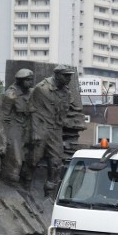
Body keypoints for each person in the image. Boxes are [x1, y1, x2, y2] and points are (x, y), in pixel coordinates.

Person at [29, 65, 84, 196]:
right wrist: (35, 131)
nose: (69, 78)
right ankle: (26, 189)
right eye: (66, 76)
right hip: (41, 129)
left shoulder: (66, 92)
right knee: (33, 160)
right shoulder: (41, 89)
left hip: (55, 131)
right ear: (57, 75)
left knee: (56, 164)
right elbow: (32, 112)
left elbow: (64, 112)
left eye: (70, 76)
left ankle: (49, 196)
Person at [0, 68, 34, 185]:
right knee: (17, 160)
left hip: (26, 128)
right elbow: (4, 118)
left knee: (27, 158)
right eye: (28, 80)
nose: (31, 83)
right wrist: (5, 138)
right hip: (14, 129)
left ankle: (20, 185)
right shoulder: (11, 95)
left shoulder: (30, 92)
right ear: (20, 81)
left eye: (31, 80)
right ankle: (9, 185)